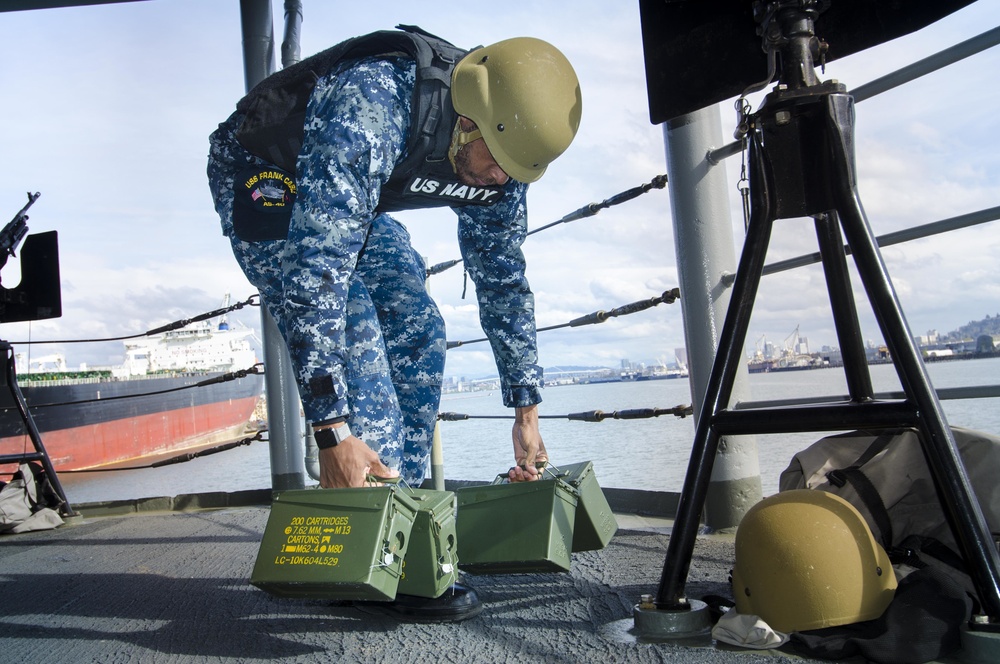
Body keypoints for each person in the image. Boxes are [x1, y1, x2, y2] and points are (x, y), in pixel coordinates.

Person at [208, 25, 581, 491]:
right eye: (499, 163)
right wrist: (332, 432)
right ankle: (363, 513)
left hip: (353, 191)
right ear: (468, 122)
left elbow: (502, 279)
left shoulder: (506, 153)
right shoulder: (375, 102)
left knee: (420, 326)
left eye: (518, 170)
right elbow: (318, 266)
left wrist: (526, 411)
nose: (503, 180)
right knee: (354, 318)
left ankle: (399, 513)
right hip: (265, 178)